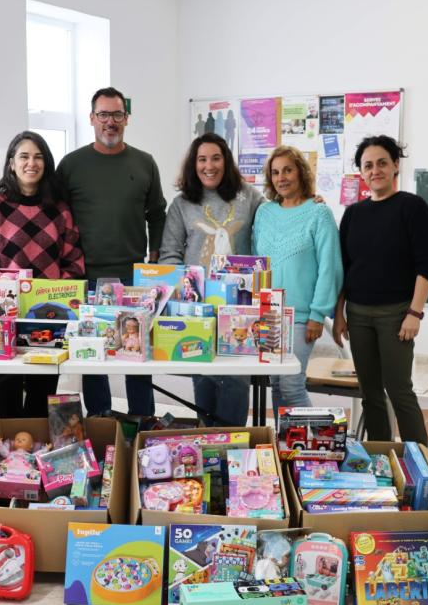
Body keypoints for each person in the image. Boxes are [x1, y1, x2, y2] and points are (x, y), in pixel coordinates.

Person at [57, 87, 167, 416]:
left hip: (134, 280)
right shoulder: (72, 165)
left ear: (126, 119)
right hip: (86, 278)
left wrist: (155, 259)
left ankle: (143, 422)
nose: (110, 122)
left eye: (117, 115)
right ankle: (101, 421)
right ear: (92, 119)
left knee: (137, 356)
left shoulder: (144, 162)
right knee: (94, 357)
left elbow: (157, 213)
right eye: (103, 115)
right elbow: (57, 218)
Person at [332, 135, 428, 445]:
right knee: (370, 393)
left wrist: (414, 313)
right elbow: (345, 268)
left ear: (395, 165)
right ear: (361, 172)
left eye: (382, 163)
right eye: (368, 165)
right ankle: (380, 458)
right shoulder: (353, 215)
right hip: (359, 314)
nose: (375, 170)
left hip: (397, 314)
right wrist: (339, 315)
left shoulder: (413, 207)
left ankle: (419, 461)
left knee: (399, 389)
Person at [0, 130, 85, 422]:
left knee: (41, 391)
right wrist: (7, 297)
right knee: (4, 393)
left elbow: (74, 262)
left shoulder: (60, 211)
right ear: (11, 163)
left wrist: (55, 298)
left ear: (46, 164)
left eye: (38, 157)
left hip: (48, 316)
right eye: (24, 156)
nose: (31, 163)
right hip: (5, 317)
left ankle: (37, 459)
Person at [160, 133, 265, 426]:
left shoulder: (249, 197)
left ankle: (231, 450)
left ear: (226, 161)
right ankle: (207, 445)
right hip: (197, 307)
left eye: (216, 158)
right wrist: (185, 293)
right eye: (202, 159)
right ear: (193, 165)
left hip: (240, 307)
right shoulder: (181, 205)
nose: (209, 166)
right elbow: (169, 253)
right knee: (203, 378)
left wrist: (308, 201)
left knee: (235, 380)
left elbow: (277, 219)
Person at [252, 145, 342, 416]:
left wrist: (317, 315)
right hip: (268, 315)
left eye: (288, 170)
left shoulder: (319, 213)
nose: (282, 178)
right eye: (276, 172)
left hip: (302, 317)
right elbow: (258, 263)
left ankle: (319, 443)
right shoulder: (264, 213)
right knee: (277, 386)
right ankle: (286, 449)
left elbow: (331, 267)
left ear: (301, 172)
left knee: (292, 386)